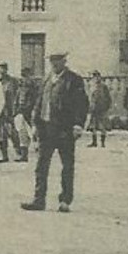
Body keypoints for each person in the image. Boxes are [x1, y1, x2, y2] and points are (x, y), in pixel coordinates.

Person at [21, 51, 88, 214]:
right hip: (46, 129)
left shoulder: (74, 80)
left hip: (65, 130)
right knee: (41, 166)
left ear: (64, 61)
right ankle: (39, 200)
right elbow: (39, 103)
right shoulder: (46, 79)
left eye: (58, 61)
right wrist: (35, 124)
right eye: (52, 61)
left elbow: (82, 104)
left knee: (67, 166)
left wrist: (78, 125)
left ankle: (65, 200)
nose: (55, 64)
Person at [0, 62, 24, 161]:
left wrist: (16, 108)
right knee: (1, 134)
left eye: (3, 69)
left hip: (11, 110)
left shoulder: (13, 81)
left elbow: (18, 94)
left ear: (6, 69)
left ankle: (19, 153)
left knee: (13, 133)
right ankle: (4, 155)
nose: (1, 71)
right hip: (0, 111)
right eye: (0, 69)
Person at [86, 72, 112, 148]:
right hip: (94, 108)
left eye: (97, 76)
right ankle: (94, 142)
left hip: (102, 109)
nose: (96, 78)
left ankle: (102, 142)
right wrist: (90, 106)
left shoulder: (104, 86)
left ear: (100, 77)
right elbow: (90, 98)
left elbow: (108, 98)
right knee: (93, 126)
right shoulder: (92, 86)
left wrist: (106, 107)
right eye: (94, 77)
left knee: (102, 126)